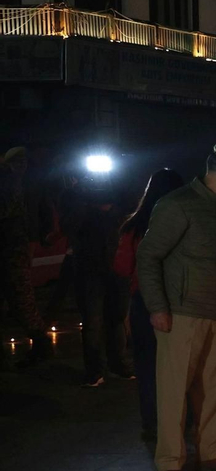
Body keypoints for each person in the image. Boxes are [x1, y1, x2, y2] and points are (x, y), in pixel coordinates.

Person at [136, 142, 216, 471]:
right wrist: (158, 308)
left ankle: (213, 450)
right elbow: (148, 258)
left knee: (214, 388)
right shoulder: (177, 206)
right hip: (181, 314)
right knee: (174, 391)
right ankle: (171, 462)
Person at [116, 169, 185, 440]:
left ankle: (152, 421)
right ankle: (182, 419)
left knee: (146, 366)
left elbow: (121, 267)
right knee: (179, 364)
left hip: (143, 301)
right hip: (178, 300)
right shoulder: (183, 222)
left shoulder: (134, 226)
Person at [61, 163, 132, 387]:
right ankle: (94, 370)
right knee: (93, 321)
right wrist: (82, 197)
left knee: (116, 319)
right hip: (89, 270)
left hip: (116, 269)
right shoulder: (78, 203)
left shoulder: (121, 204)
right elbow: (69, 226)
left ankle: (117, 364)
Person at [0, 146, 49, 364]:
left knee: (22, 298)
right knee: (21, 298)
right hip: (14, 246)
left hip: (12, 247)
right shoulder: (22, 182)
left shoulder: (16, 184)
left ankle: (41, 344)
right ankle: (40, 344)